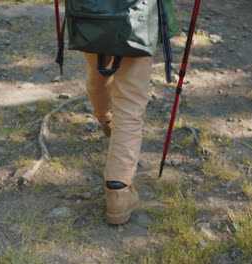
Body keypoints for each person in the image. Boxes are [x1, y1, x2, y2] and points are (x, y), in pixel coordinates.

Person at [76, 1, 177, 225]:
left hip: (89, 11)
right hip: (138, 14)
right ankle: (118, 193)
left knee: (98, 70)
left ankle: (106, 119)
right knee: (130, 102)